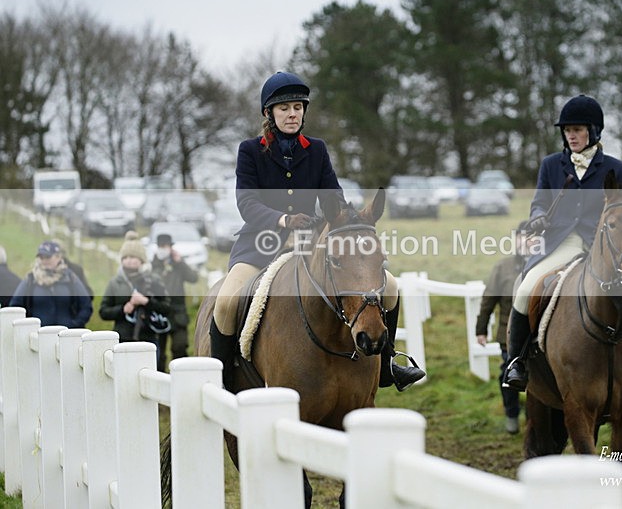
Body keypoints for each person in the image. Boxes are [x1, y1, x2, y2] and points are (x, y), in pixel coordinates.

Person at [209, 70, 424, 390]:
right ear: (269, 113)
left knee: (389, 286)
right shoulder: (250, 150)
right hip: (259, 245)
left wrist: (353, 220)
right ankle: (222, 378)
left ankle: (386, 364)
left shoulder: (317, 150)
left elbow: (333, 197)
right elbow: (247, 203)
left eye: (297, 107)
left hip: (310, 244)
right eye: (284, 108)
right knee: (227, 301)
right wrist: (283, 220)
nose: (292, 114)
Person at [502, 94, 622, 390]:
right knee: (526, 287)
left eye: (577, 130)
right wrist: (537, 218)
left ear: (593, 131)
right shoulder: (551, 165)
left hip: (604, 243)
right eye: (567, 130)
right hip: (562, 242)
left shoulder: (614, 166)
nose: (571, 136)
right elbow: (539, 203)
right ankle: (518, 362)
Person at [475, 221, 528, 434]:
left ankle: (535, 419)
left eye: (532, 237)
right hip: (508, 334)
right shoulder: (503, 267)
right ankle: (511, 413)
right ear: (515, 240)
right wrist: (481, 329)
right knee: (507, 374)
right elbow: (489, 299)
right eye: (522, 236)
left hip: (539, 335)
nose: (526, 241)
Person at [99, 231, 172, 352]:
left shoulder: (154, 280)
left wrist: (146, 302)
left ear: (141, 260)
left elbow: (167, 307)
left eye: (133, 257)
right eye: (125, 257)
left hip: (149, 341)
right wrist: (123, 309)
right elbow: (103, 311)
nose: (129, 260)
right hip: (122, 341)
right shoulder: (115, 282)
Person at [8, 240, 92, 327]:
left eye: (48, 257)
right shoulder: (30, 280)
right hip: (38, 333)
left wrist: (74, 325)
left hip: (66, 333)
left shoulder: (70, 278)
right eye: (41, 257)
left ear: (58, 257)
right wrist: (28, 327)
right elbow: (15, 306)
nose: (44, 260)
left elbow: (86, 306)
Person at [151, 233, 199, 371]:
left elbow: (193, 278)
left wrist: (180, 262)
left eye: (165, 246)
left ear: (170, 248)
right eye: (160, 246)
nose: (163, 249)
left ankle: (181, 375)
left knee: (179, 347)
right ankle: (159, 377)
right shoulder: (152, 265)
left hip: (178, 315)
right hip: (158, 314)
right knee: (158, 353)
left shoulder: (178, 266)